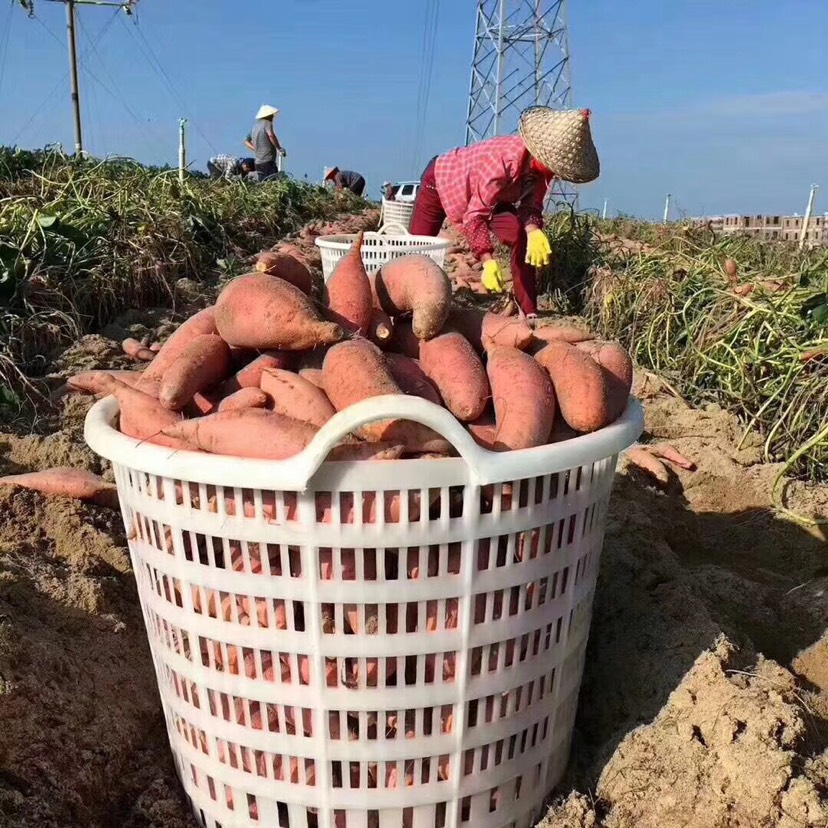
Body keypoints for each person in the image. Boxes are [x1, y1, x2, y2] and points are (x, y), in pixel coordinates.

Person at [409, 107, 599, 318]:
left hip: (496, 198)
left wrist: (534, 230)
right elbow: (475, 216)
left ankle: (528, 308)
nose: (555, 174)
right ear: (540, 152)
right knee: (418, 247)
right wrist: (487, 260)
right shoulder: (502, 160)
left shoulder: (543, 171)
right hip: (442, 180)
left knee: (520, 233)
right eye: (553, 167)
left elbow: (531, 206)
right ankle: (406, 304)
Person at [245, 105, 286, 181]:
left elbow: (246, 141)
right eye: (272, 115)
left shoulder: (255, 126)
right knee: (273, 182)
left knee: (263, 183)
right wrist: (279, 148)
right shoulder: (267, 123)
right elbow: (271, 135)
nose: (273, 118)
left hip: (258, 163)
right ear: (268, 115)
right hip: (268, 161)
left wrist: (256, 149)